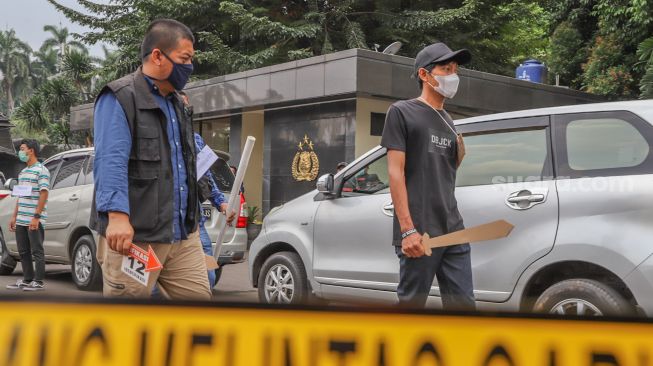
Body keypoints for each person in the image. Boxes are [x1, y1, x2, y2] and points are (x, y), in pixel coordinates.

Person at [90, 19, 210, 299]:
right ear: (158, 56)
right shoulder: (120, 97)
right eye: (185, 59)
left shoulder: (178, 103)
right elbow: (110, 160)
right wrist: (117, 217)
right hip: (137, 238)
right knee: (128, 319)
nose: (189, 67)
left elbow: (184, 163)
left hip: (182, 236)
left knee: (202, 313)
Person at [381, 42, 474, 309]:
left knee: (465, 306)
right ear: (424, 75)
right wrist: (407, 229)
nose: (453, 76)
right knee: (412, 307)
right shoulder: (402, 112)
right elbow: (395, 172)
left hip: (453, 228)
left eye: (455, 69)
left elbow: (445, 174)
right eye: (446, 69)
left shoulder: (447, 119)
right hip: (419, 231)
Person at [7, 139, 50, 291]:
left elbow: (44, 194)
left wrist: (36, 217)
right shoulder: (23, 172)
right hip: (21, 219)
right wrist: (14, 216)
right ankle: (27, 279)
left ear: (31, 151)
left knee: (37, 251)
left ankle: (38, 282)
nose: (20, 151)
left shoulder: (42, 170)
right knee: (23, 251)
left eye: (22, 148)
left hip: (34, 219)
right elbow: (20, 196)